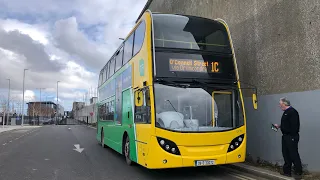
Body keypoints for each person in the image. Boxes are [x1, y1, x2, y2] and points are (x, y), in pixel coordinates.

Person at [274, 97, 302, 177]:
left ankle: (298, 172)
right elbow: (287, 124)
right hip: (285, 136)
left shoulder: (292, 112)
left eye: (280, 104)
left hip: (291, 136)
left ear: (284, 104)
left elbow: (294, 126)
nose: (279, 106)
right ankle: (287, 172)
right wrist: (279, 126)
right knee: (286, 154)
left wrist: (291, 136)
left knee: (293, 154)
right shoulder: (286, 112)